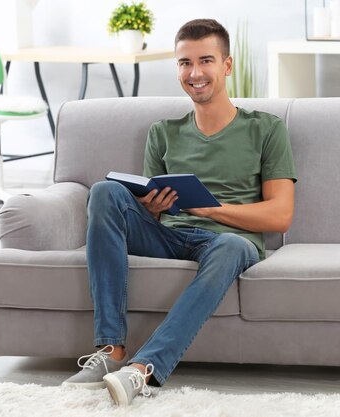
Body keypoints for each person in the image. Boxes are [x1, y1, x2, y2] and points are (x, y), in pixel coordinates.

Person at [62, 18, 297, 406]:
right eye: (184, 63)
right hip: (170, 235)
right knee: (105, 192)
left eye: (205, 60)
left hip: (225, 242)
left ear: (227, 65)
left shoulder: (266, 130)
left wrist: (211, 208)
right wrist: (151, 209)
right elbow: (151, 206)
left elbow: (279, 216)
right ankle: (111, 351)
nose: (195, 73)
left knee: (234, 247)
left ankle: (143, 370)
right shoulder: (163, 132)